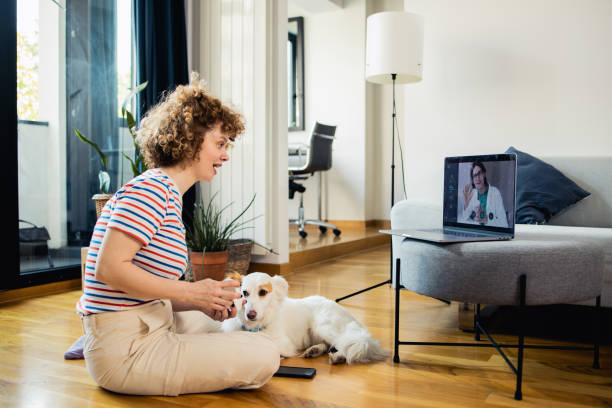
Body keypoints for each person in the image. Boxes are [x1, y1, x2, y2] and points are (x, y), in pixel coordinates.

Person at [76, 73, 280, 396]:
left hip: (149, 321)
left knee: (216, 323)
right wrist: (192, 293)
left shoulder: (169, 194)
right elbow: (108, 268)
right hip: (126, 350)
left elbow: (148, 287)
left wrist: (204, 303)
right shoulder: (152, 190)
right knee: (266, 354)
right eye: (220, 144)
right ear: (190, 140)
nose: (225, 155)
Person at [461, 161, 508, 227]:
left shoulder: (495, 193)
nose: (477, 178)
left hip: (491, 233)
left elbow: (504, 225)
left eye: (479, 173)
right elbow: (463, 220)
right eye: (474, 176)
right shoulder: (473, 194)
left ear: (484, 174)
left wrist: (487, 220)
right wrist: (466, 203)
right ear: (473, 180)